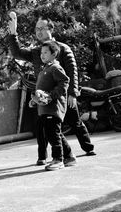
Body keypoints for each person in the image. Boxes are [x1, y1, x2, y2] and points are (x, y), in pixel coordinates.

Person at [6, 12, 96, 162]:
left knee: (75, 122)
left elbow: (72, 72)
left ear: (51, 28)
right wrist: (13, 33)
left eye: (42, 28)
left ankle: (88, 148)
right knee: (46, 127)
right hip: (45, 99)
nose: (39, 32)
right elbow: (17, 53)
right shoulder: (36, 52)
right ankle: (50, 157)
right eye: (36, 29)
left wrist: (73, 93)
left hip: (62, 94)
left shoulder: (63, 48)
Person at [29, 41, 76, 171]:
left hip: (53, 108)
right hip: (44, 109)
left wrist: (51, 96)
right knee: (55, 134)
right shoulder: (44, 69)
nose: (42, 55)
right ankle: (69, 157)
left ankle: (58, 160)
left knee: (53, 135)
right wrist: (35, 100)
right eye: (41, 53)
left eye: (45, 52)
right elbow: (41, 90)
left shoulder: (55, 68)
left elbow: (65, 81)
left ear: (54, 54)